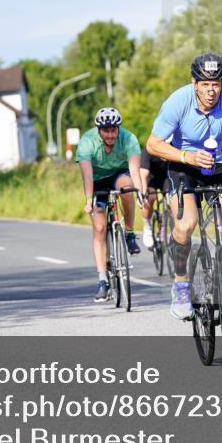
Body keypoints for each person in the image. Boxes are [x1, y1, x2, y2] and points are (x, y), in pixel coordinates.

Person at [146, 52, 222, 330]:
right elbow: (152, 144)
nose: (211, 91)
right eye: (205, 84)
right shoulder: (178, 101)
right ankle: (181, 284)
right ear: (194, 83)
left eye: (217, 84)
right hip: (184, 163)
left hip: (220, 161)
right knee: (187, 223)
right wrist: (187, 157)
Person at [76, 107, 145, 303]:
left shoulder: (128, 138)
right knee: (99, 227)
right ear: (99, 130)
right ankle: (102, 281)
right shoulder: (87, 142)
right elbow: (87, 175)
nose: (110, 134)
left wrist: (139, 192)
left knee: (127, 187)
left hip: (119, 175)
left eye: (113, 129)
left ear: (118, 128)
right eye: (106, 130)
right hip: (96, 181)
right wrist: (89, 201)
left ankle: (130, 233)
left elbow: (134, 169)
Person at [138, 137, 171, 249]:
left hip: (166, 176)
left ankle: (164, 226)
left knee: (170, 200)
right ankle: (147, 225)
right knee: (151, 197)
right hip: (150, 176)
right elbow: (143, 174)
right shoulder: (149, 148)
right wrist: (142, 194)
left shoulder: (173, 146)